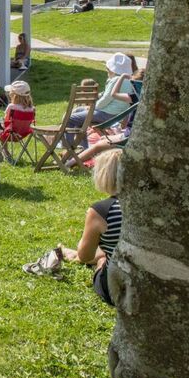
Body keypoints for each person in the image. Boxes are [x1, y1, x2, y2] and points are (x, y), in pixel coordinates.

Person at [58, 148, 124, 307]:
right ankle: (72, 254)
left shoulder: (101, 211)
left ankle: (73, 255)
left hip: (119, 289)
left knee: (102, 259)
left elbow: (86, 255)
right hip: (160, 282)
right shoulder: (155, 206)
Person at [66, 53, 136, 137]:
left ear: (112, 69)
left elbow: (106, 98)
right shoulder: (129, 81)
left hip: (108, 114)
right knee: (79, 111)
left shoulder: (115, 80)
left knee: (70, 119)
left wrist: (93, 108)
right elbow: (106, 95)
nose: (107, 71)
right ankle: (80, 143)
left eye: (108, 69)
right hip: (118, 114)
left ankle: (68, 143)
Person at [0, 80, 35, 162]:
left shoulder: (12, 107)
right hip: (22, 134)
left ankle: (4, 154)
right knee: (1, 129)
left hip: (10, 134)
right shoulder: (32, 109)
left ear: (14, 95)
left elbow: (6, 121)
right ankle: (1, 155)